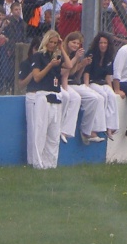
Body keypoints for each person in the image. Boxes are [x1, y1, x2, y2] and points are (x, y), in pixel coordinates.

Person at [24, 29, 64, 169]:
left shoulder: (58, 57)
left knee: (53, 134)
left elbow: (69, 66)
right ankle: (38, 163)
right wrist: (49, 66)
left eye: (55, 42)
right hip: (42, 95)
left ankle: (51, 163)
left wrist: (62, 47)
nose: (53, 45)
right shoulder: (39, 56)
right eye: (51, 42)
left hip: (55, 95)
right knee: (40, 132)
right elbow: (37, 77)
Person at [61, 30, 106, 143]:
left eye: (78, 43)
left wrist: (83, 64)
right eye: (73, 42)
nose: (76, 45)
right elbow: (64, 72)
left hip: (74, 83)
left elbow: (75, 75)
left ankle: (89, 131)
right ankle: (65, 131)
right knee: (75, 98)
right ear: (67, 42)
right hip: (63, 83)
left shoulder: (76, 55)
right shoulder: (63, 53)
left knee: (97, 98)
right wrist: (76, 58)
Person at [84, 31, 120, 140]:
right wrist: (86, 87)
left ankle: (111, 127)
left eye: (105, 43)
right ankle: (98, 128)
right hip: (92, 82)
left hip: (102, 82)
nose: (103, 45)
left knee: (111, 96)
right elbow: (87, 72)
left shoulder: (109, 57)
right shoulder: (91, 54)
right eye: (101, 43)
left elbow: (108, 77)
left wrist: (111, 88)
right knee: (103, 96)